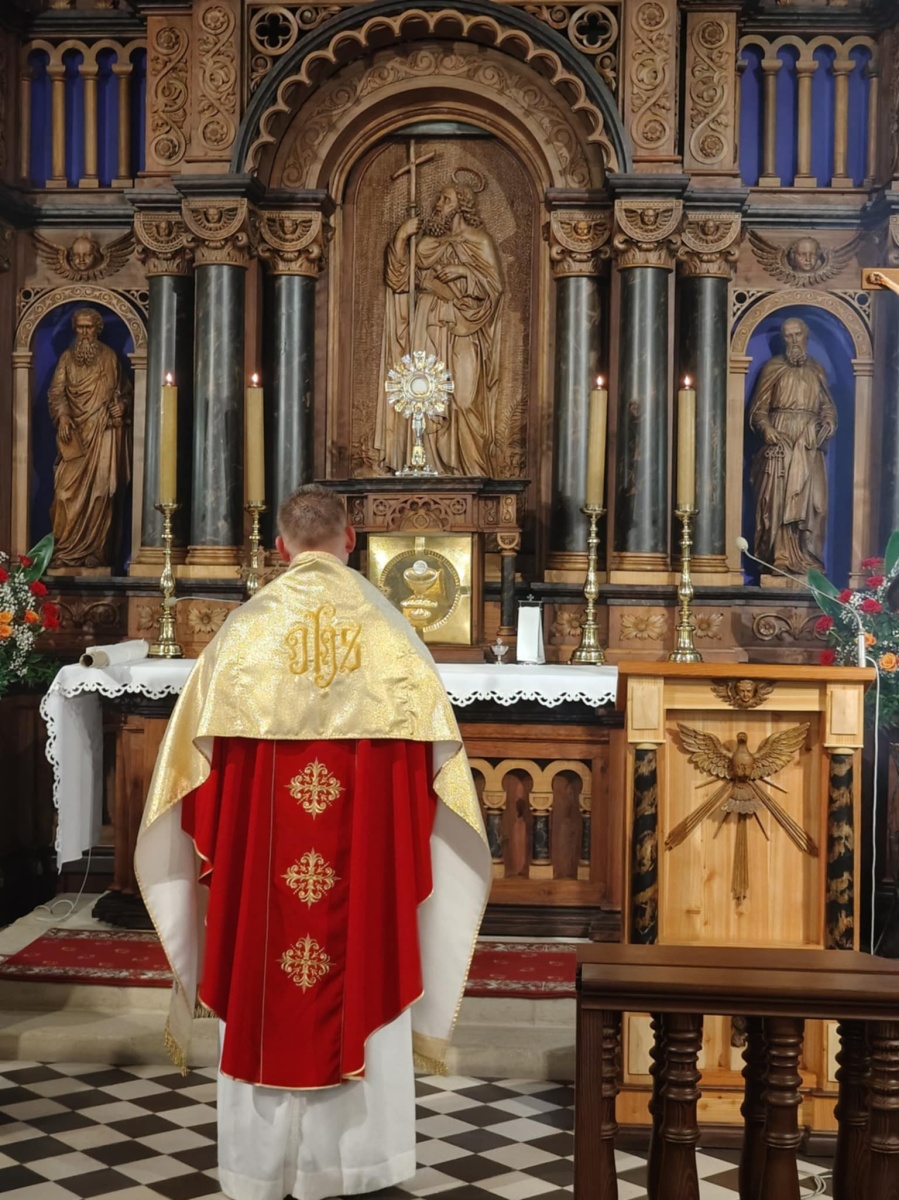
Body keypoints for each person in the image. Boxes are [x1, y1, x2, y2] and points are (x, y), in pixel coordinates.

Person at [135, 484, 490, 1200]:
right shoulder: (392, 636)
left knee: (265, 974)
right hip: (363, 887)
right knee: (362, 962)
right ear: (350, 539)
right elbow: (433, 785)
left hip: (260, 883)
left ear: (280, 547)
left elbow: (195, 780)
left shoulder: (242, 637)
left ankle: (258, 1168)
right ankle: (357, 1164)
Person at [375, 177, 503, 476]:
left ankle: (471, 472)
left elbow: (494, 287)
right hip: (428, 322)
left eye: (445, 200)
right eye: (438, 199)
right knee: (423, 391)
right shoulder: (426, 244)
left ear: (462, 206)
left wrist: (462, 271)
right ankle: (426, 465)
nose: (438, 204)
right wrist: (401, 237)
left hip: (463, 325)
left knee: (465, 398)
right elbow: (399, 280)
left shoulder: (480, 241)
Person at [748, 316, 838, 575]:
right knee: (777, 503)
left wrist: (828, 421)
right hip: (782, 442)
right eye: (788, 336)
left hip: (809, 444)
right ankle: (781, 557)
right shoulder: (772, 367)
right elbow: (759, 409)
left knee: (816, 506)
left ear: (806, 336)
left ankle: (809, 558)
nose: (793, 340)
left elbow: (827, 406)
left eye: (797, 334)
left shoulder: (817, 369)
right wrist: (767, 429)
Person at [47, 307, 131, 568]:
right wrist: (63, 416)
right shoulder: (66, 358)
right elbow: (56, 393)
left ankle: (97, 552)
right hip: (75, 437)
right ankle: (65, 551)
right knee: (63, 494)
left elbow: (125, 392)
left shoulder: (110, 357)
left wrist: (122, 406)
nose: (84, 333)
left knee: (101, 494)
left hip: (104, 434)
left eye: (89, 327)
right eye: (80, 327)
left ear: (98, 329)